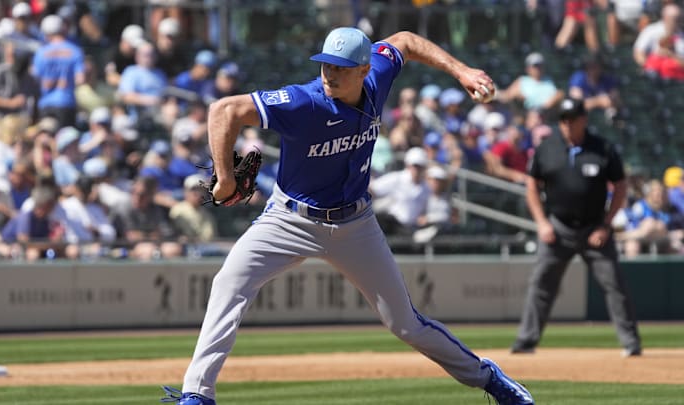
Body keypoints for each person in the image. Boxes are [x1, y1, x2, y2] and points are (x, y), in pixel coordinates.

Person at [163, 27, 534, 405]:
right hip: (289, 219)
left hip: (356, 225)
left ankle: (489, 378)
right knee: (228, 283)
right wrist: (225, 177)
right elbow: (224, 109)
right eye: (325, 65)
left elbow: (406, 39)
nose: (329, 74)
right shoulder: (303, 101)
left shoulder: (378, 74)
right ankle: (197, 394)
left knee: (405, 324)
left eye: (340, 68)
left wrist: (462, 71)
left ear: (363, 69)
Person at [511, 98, 641, 358]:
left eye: (573, 118)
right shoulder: (547, 148)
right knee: (541, 284)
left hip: (595, 228)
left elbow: (621, 187)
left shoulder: (602, 148)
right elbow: (532, 186)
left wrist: (606, 225)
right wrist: (541, 222)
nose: (568, 124)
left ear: (584, 119)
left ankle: (631, 344)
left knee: (614, 284)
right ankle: (526, 342)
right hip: (557, 228)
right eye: (563, 119)